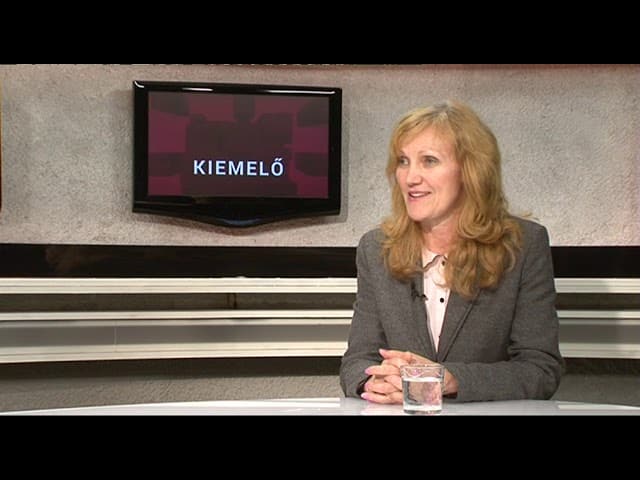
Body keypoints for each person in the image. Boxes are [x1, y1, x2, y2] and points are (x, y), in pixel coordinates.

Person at [340, 100, 565, 403]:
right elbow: (357, 361)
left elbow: (540, 370)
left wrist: (449, 380)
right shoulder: (376, 249)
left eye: (429, 161)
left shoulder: (522, 246)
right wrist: (375, 383)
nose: (410, 177)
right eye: (403, 161)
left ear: (470, 171)